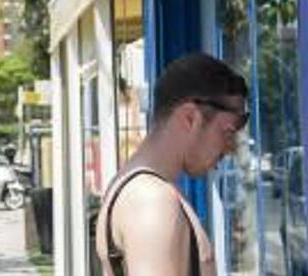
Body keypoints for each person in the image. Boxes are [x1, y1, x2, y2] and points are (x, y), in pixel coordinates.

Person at [95, 53, 249, 276]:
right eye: (228, 132)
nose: (231, 148)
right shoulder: (152, 200)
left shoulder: (140, 189)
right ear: (190, 118)